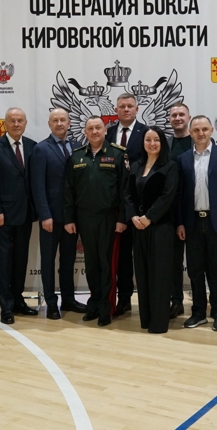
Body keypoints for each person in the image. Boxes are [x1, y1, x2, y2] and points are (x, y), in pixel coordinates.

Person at [176, 116, 217, 332]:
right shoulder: (183, 159)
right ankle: (198, 312)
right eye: (196, 130)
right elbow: (180, 195)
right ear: (190, 132)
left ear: (212, 130)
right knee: (195, 271)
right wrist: (180, 223)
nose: (200, 133)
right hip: (192, 222)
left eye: (204, 129)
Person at [64, 116, 128, 327]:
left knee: (107, 264)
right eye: (90, 128)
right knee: (91, 264)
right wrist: (69, 219)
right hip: (84, 218)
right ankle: (94, 305)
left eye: (98, 128)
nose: (94, 131)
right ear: (85, 132)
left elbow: (125, 190)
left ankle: (106, 308)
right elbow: (69, 191)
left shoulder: (117, 154)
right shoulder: (76, 156)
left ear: (105, 130)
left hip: (109, 217)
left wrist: (122, 219)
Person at [30, 108, 87, 320]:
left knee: (68, 260)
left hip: (71, 218)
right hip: (50, 218)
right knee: (48, 262)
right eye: (55, 120)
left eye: (63, 120)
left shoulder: (78, 147)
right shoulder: (41, 149)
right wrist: (45, 215)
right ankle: (51, 302)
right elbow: (37, 186)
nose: (59, 123)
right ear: (49, 124)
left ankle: (69, 299)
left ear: (69, 123)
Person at [0, 108, 38, 325]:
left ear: (25, 123)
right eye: (12, 121)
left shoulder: (32, 146)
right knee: (3, 262)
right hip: (2, 216)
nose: (16, 124)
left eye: (20, 120)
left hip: (25, 215)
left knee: (20, 260)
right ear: (4, 124)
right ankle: (6, 306)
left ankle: (18, 300)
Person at [125, 127, 178, 333]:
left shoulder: (170, 166)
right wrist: (133, 216)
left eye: (156, 140)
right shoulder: (136, 166)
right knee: (143, 273)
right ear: (143, 143)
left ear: (162, 143)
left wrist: (149, 218)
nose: (152, 143)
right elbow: (128, 194)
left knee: (159, 275)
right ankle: (146, 319)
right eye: (148, 140)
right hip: (138, 227)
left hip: (160, 227)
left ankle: (159, 323)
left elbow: (167, 196)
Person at [105, 93, 148, 316]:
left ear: (137, 109)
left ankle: (148, 299)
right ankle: (123, 299)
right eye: (122, 106)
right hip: (115, 205)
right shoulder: (108, 132)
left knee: (141, 255)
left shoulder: (146, 133)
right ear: (116, 109)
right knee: (121, 257)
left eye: (130, 106)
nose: (126, 109)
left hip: (140, 205)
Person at [166, 103, 192, 319]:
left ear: (188, 117)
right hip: (173, 211)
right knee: (174, 261)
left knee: (199, 261)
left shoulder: (200, 141)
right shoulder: (165, 144)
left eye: (181, 114)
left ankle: (202, 300)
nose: (177, 118)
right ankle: (176, 301)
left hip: (197, 209)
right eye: (174, 115)